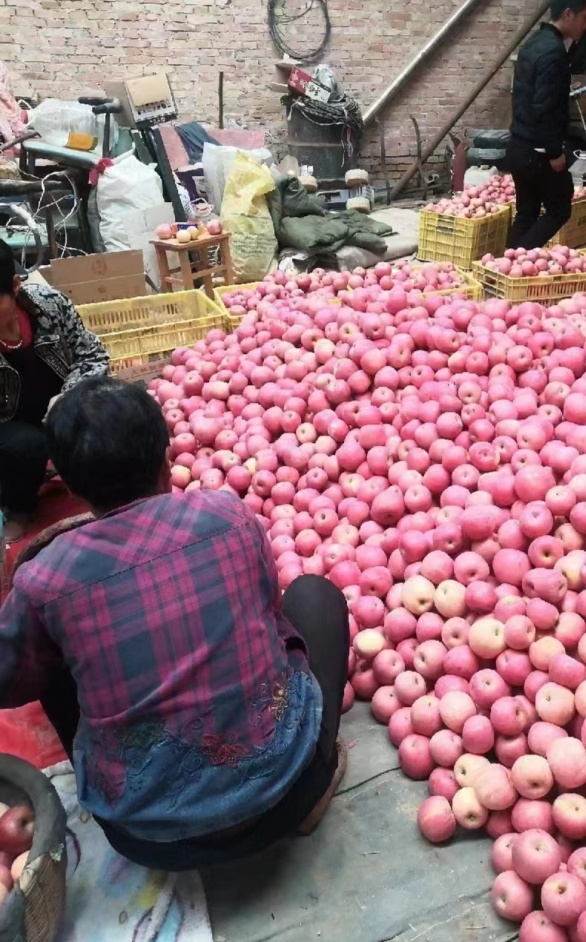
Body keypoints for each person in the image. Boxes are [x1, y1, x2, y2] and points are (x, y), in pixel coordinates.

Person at [0, 377, 350, 871]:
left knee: (48, 655)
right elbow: (271, 615)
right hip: (284, 792)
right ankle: (317, 780)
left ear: (71, 488)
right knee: (315, 596)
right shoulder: (229, 515)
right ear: (167, 460)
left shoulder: (45, 578)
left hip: (147, 837)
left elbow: (8, 680)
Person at [0, 238, 109, 540]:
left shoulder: (50, 306)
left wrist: (67, 396)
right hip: (10, 427)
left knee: (111, 403)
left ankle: (96, 485)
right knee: (25, 446)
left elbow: (93, 356)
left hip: (60, 408)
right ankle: (18, 505)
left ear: (15, 286)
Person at [505, 0, 586, 250]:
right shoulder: (554, 52)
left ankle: (504, 264)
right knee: (559, 208)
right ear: (568, 13)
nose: (585, 25)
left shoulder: (533, 43)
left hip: (519, 144)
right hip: (538, 151)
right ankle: (519, 262)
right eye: (584, 17)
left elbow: (531, 93)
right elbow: (543, 108)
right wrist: (555, 152)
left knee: (527, 213)